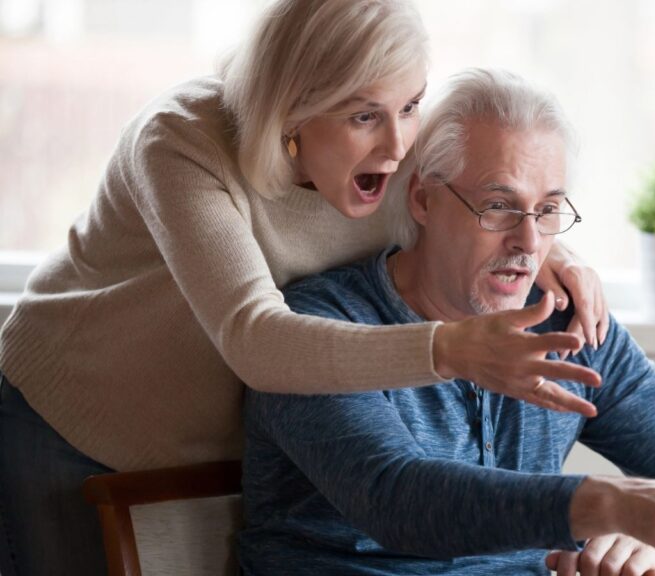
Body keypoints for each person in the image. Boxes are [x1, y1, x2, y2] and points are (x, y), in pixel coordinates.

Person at [0, 3, 609, 575]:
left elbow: (470, 193)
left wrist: (553, 249)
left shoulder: (389, 147)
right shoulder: (180, 141)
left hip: (224, 434)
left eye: (411, 105)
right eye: (363, 114)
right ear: (293, 109)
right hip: (74, 419)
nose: (399, 146)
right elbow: (256, 338)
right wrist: (446, 349)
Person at [240, 68, 655, 576]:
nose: (528, 244)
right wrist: (609, 503)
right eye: (499, 206)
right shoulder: (316, 329)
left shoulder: (574, 325)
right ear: (422, 198)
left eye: (547, 210)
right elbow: (398, 500)